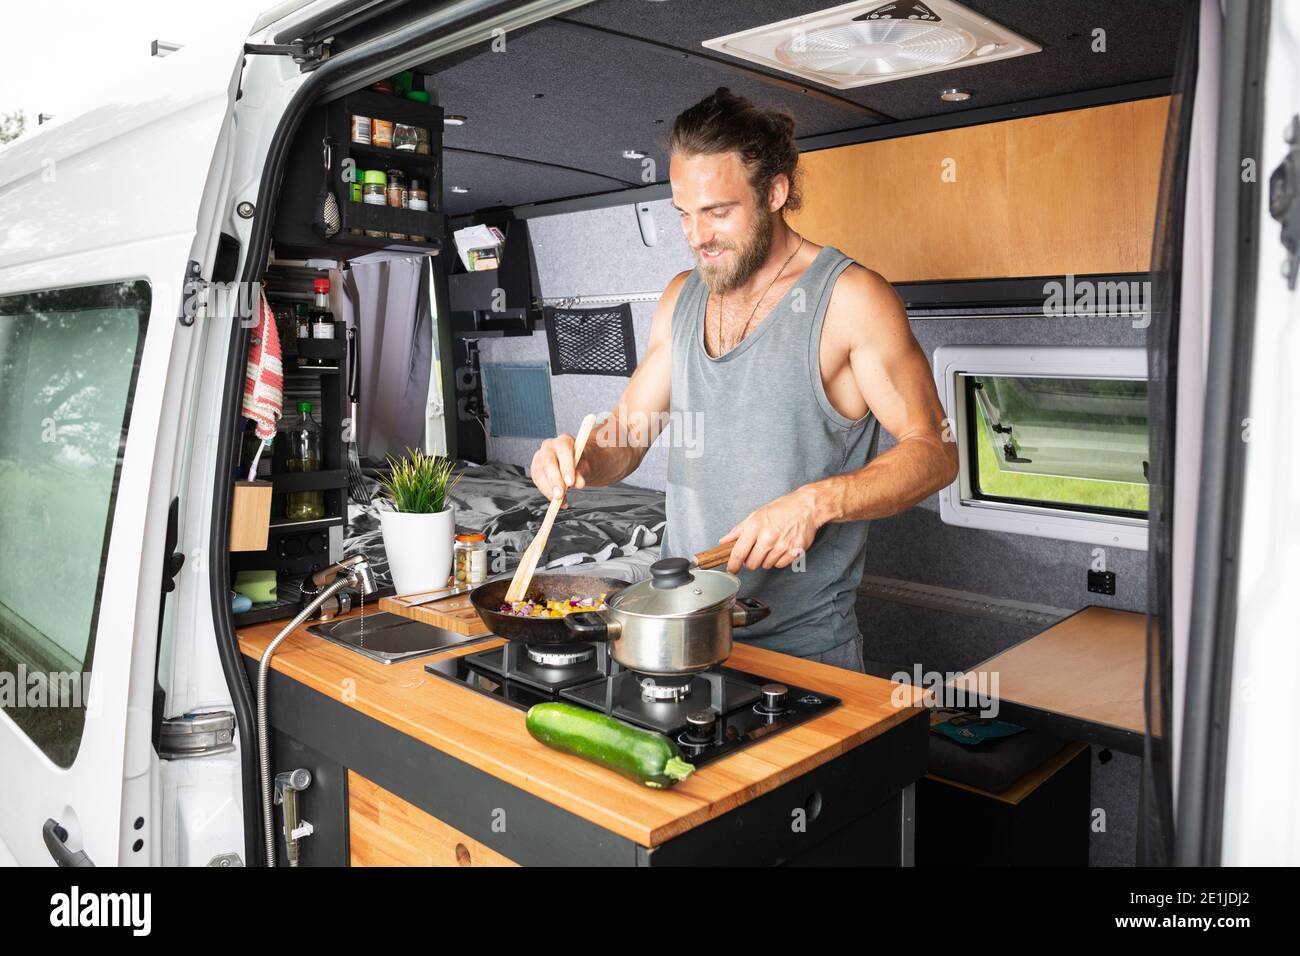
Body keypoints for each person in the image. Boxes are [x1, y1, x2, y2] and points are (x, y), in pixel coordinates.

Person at [529, 87, 958, 670]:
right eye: (683, 212)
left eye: (717, 212)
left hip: (804, 651)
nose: (697, 235)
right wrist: (578, 457)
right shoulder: (681, 297)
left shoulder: (850, 299)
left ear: (775, 192)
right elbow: (627, 437)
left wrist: (816, 503)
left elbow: (935, 451)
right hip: (680, 638)